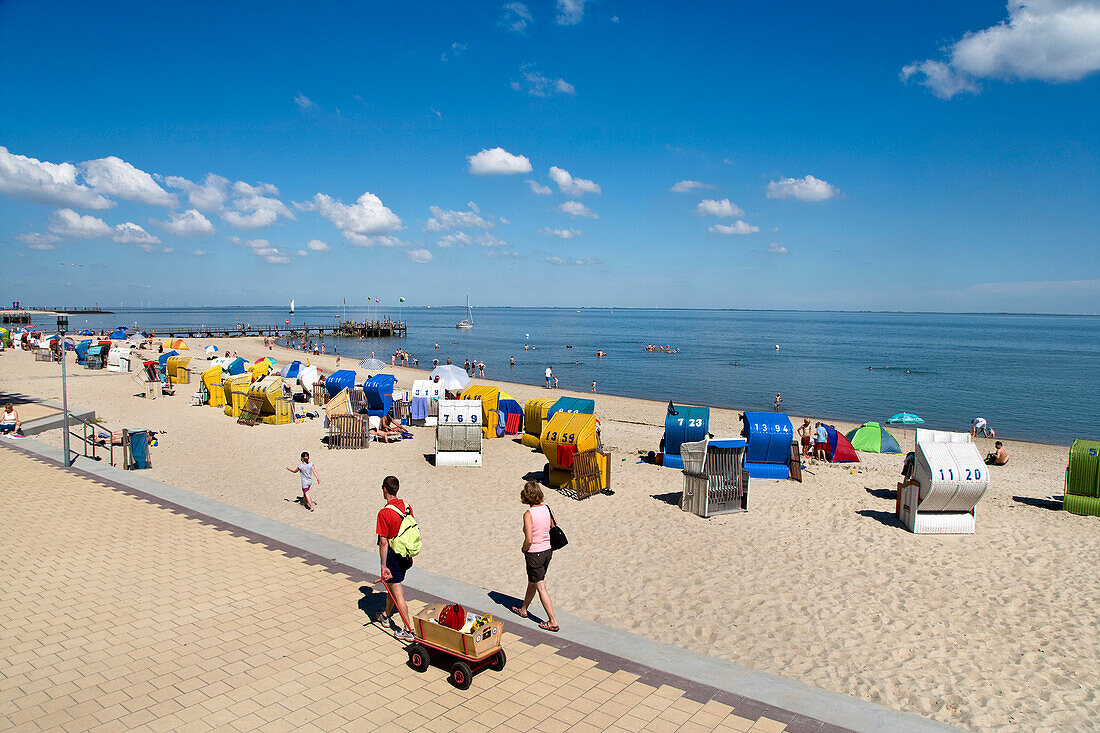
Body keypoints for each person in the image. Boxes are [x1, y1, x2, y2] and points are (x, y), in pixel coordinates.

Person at [511, 481, 560, 632]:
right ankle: (524, 608)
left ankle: (552, 621)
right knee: (533, 580)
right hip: (547, 551)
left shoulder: (528, 514)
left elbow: (529, 539)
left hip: (535, 552)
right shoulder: (547, 508)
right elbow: (554, 525)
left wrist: (524, 549)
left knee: (540, 585)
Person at [375, 476, 415, 640]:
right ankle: (385, 615)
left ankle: (408, 630)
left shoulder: (384, 513)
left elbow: (383, 543)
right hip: (406, 554)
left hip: (393, 555)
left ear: (385, 489)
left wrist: (383, 566)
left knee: (397, 591)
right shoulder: (406, 507)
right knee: (392, 585)